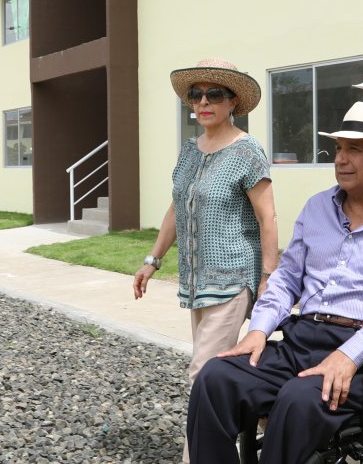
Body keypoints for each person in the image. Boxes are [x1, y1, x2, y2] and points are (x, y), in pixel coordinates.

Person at [186, 101, 363, 464]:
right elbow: (287, 278)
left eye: (355, 149)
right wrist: (258, 330)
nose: (340, 159)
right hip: (302, 338)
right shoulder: (317, 207)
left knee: (297, 399)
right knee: (215, 378)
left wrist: (349, 355)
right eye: (339, 148)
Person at [133, 57, 278, 462]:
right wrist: (153, 259)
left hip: (234, 278)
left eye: (214, 94)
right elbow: (177, 208)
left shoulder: (247, 151)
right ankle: (278, 420)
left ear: (234, 101)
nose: (203, 101)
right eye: (195, 95)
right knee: (224, 369)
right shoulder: (189, 151)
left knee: (202, 374)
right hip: (196, 283)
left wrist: (269, 277)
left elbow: (268, 217)